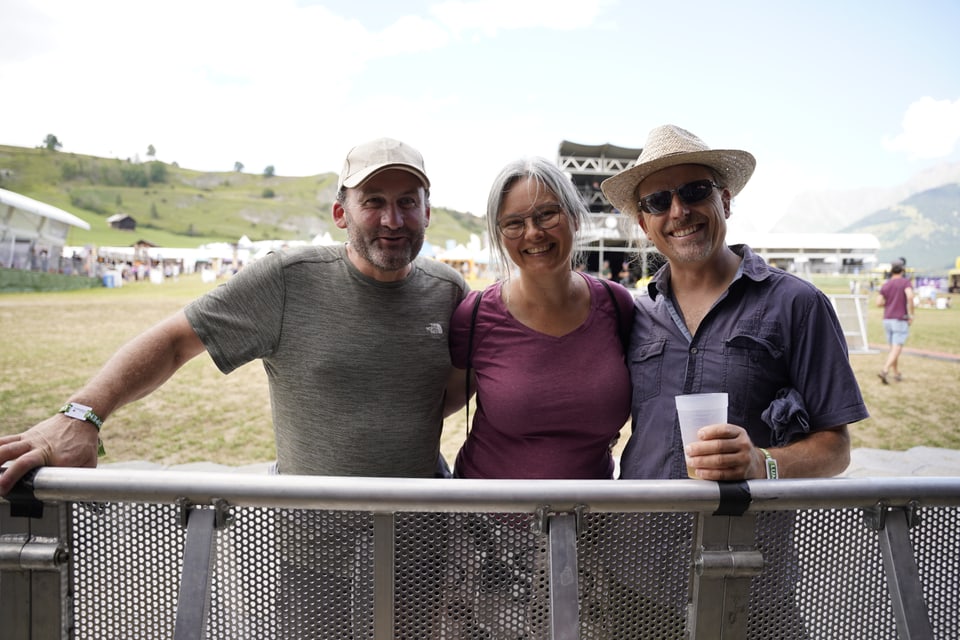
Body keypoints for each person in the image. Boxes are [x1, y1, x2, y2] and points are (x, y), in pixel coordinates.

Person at [600, 124, 869, 637]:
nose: (679, 211)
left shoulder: (796, 304)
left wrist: (762, 462)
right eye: (659, 200)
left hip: (749, 571)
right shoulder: (636, 313)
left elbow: (836, 448)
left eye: (695, 191)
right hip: (636, 576)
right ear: (644, 222)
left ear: (725, 199)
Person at [449, 156, 634, 480]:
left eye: (547, 214)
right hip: (485, 524)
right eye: (514, 223)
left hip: (592, 524)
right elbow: (430, 410)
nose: (533, 233)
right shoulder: (474, 316)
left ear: (575, 218)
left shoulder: (617, 305)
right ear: (500, 235)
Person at [876, 260, 914, 384]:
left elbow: (878, 303)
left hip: (887, 319)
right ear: (903, 270)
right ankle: (885, 370)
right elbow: (910, 296)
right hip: (900, 318)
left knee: (893, 348)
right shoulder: (905, 283)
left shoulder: (886, 285)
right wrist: (911, 314)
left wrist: (890, 303)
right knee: (897, 348)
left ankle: (896, 373)